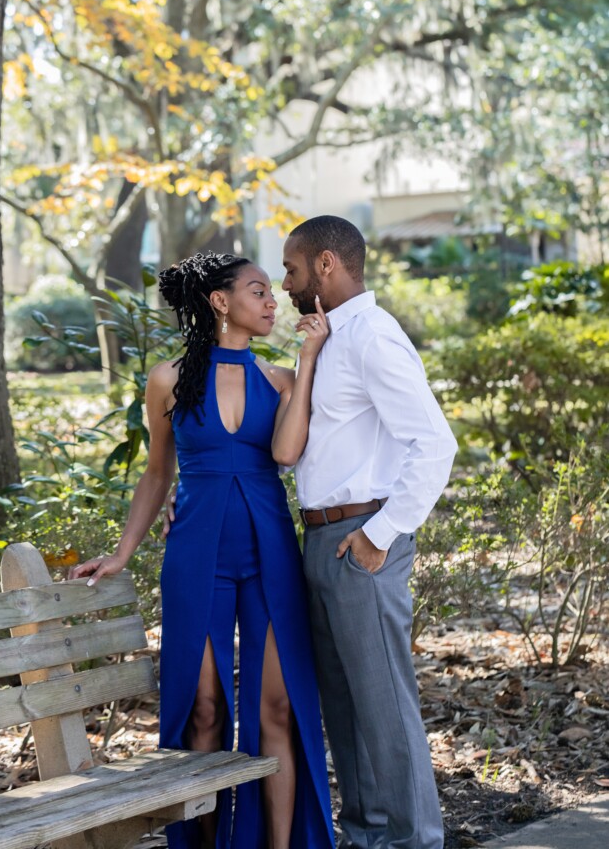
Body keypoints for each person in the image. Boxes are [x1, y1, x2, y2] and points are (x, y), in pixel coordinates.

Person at [70, 251, 335, 849]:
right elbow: (157, 475)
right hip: (196, 554)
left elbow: (289, 455)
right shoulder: (167, 378)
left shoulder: (281, 377)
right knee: (205, 711)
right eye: (259, 291)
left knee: (277, 711)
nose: (273, 302)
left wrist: (309, 355)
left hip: (271, 552)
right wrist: (122, 552)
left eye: (271, 292)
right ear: (220, 301)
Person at [280, 216, 458, 849]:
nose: (285, 284)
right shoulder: (329, 338)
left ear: (327, 264)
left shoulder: (373, 337)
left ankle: (416, 842)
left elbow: (436, 444)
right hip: (321, 540)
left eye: (293, 270)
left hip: (363, 539)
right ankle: (367, 835)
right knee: (345, 705)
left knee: (383, 705)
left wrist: (381, 534)